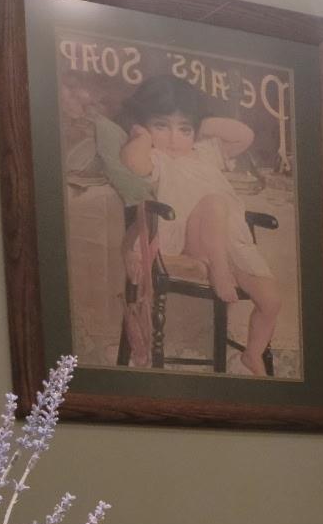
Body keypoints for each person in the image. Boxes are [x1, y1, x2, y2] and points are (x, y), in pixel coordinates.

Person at [118, 75, 281, 378]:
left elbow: (243, 134)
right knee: (215, 203)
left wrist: (197, 121)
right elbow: (133, 164)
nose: (172, 137)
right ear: (146, 126)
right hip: (190, 238)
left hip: (232, 242)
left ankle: (253, 353)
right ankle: (218, 268)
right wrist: (141, 136)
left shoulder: (205, 152)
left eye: (183, 129)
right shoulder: (157, 158)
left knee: (271, 300)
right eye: (161, 126)